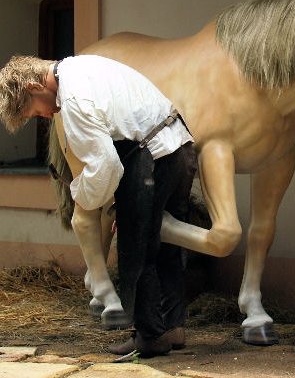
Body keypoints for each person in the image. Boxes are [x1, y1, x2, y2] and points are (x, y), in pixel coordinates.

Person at [0, 54, 197, 358]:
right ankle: (173, 327)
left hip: (150, 158)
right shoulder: (82, 65)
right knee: (166, 246)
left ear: (33, 85)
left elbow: (106, 166)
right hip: (181, 147)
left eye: (34, 112)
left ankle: (150, 337)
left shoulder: (73, 99)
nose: (45, 117)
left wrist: (82, 199)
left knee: (137, 248)